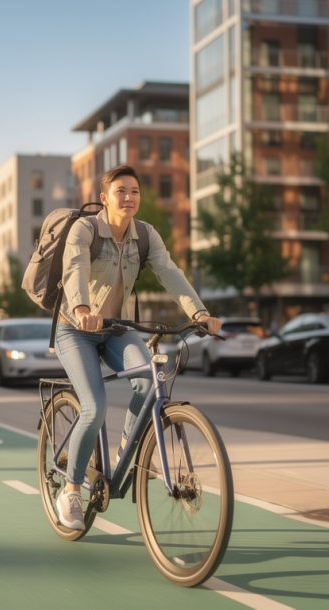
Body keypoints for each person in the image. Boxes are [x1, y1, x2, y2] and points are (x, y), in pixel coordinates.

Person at [51, 165, 222, 530]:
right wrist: (81, 308)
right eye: (121, 191)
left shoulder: (145, 235)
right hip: (76, 330)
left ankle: (128, 447)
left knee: (148, 379)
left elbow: (170, 272)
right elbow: (75, 267)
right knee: (94, 407)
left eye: (135, 192)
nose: (129, 198)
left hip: (118, 328)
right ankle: (71, 491)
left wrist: (200, 312)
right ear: (105, 198)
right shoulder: (85, 229)